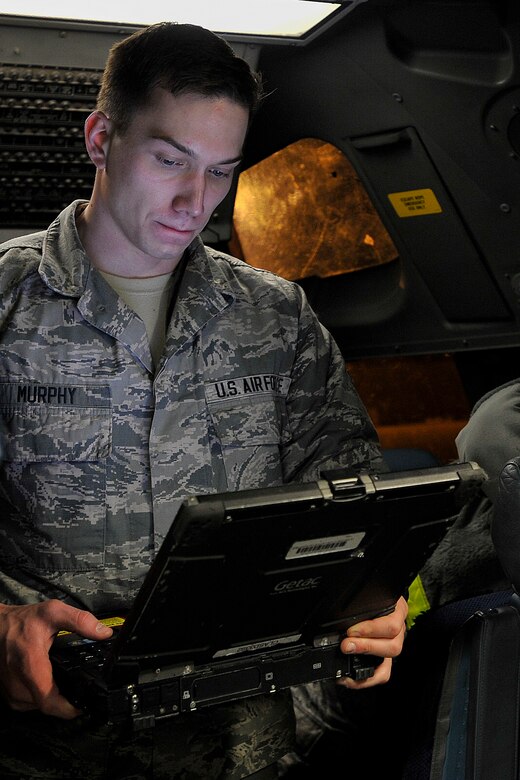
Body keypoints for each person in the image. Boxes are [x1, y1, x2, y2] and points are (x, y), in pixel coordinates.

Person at [0, 22, 407, 779]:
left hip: (251, 748)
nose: (196, 201)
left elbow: (353, 491)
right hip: (51, 749)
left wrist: (375, 604)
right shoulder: (8, 307)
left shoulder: (275, 315)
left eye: (221, 172)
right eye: (169, 160)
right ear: (99, 137)